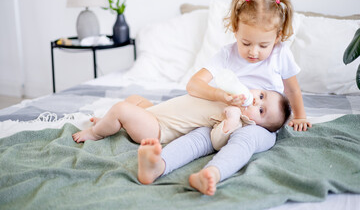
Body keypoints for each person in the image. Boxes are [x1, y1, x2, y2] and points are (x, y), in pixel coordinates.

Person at [137, 0, 312, 195]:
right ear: (236, 30)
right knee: (198, 139)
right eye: (246, 43)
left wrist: (300, 116)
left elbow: (292, 89)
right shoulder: (227, 55)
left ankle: (212, 173)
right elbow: (194, 85)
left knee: (245, 140)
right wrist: (221, 96)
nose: (253, 52)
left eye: (263, 45)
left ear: (278, 37)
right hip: (223, 117)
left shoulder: (280, 53)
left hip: (261, 124)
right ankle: (159, 165)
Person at [72, 89, 291, 150]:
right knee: (134, 99)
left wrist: (231, 121)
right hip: (157, 111)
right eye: (261, 96)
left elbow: (217, 141)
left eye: (261, 110)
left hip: (158, 129)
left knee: (121, 108)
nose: (256, 102)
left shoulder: (237, 119)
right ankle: (109, 121)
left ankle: (96, 132)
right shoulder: (234, 95)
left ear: (255, 124)